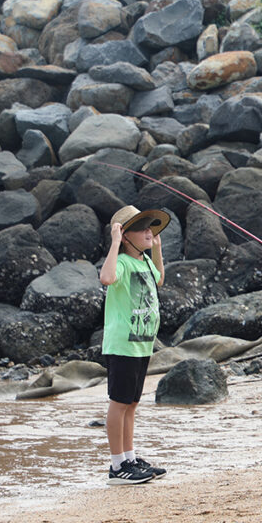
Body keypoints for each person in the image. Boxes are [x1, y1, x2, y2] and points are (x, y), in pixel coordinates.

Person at [99, 205, 170, 485]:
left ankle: (129, 457)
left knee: (132, 403)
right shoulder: (123, 262)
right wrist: (115, 242)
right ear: (126, 236)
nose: (149, 232)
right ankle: (117, 466)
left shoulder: (144, 262)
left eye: (150, 227)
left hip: (141, 344)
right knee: (119, 403)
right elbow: (106, 278)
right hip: (122, 344)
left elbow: (159, 279)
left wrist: (157, 250)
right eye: (141, 229)